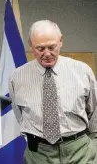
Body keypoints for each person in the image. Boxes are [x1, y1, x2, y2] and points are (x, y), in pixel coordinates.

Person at [9, 20, 97, 164]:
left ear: (61, 41)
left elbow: (95, 112)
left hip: (80, 152)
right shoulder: (16, 78)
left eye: (52, 47)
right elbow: (19, 115)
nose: (47, 54)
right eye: (40, 48)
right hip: (38, 155)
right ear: (30, 44)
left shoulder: (82, 71)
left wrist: (94, 146)